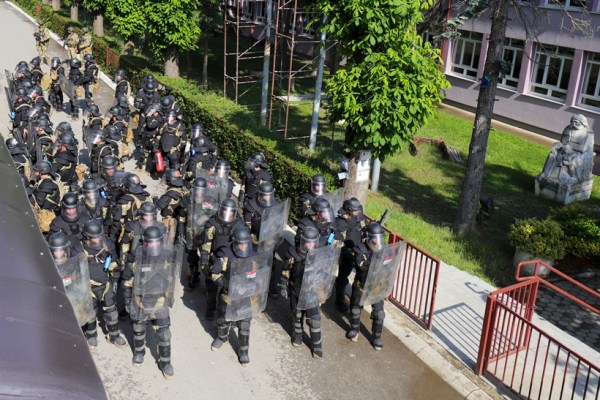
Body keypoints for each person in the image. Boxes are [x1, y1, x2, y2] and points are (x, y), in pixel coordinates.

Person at [122, 225, 177, 378]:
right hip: (140, 300)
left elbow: (172, 278)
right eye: (149, 243)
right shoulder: (136, 257)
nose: (153, 246)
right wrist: (127, 301)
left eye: (156, 243)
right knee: (138, 329)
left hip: (159, 300)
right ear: (145, 243)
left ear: (160, 242)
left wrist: (168, 294)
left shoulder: (167, 256)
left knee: (164, 333)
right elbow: (127, 280)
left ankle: (166, 362)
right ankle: (139, 352)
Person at [71, 219, 128, 349]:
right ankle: (91, 336)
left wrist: (114, 282)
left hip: (105, 283)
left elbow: (114, 264)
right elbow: (73, 269)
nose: (98, 239)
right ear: (86, 237)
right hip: (87, 285)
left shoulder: (107, 243)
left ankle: (114, 335)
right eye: (94, 237)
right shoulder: (78, 247)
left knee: (111, 311)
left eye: (99, 236)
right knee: (90, 312)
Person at [209, 226, 255, 365]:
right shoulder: (226, 255)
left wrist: (254, 285)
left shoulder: (253, 256)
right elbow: (215, 274)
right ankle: (222, 337)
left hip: (245, 296)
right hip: (227, 295)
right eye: (240, 243)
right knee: (223, 320)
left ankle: (244, 351)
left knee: (244, 324)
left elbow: (259, 275)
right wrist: (225, 284)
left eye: (245, 243)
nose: (243, 246)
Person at [199, 198, 245, 319]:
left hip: (231, 259)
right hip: (215, 258)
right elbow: (207, 243)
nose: (227, 214)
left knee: (231, 287)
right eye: (225, 211)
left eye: (230, 212)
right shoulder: (213, 224)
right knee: (211, 284)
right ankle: (210, 307)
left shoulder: (239, 225)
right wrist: (204, 261)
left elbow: (244, 244)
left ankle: (228, 313)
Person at [282, 226, 323, 358]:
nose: (310, 245)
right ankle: (297, 336)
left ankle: (317, 346)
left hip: (312, 293)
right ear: (303, 241)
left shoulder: (319, 255)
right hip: (296, 290)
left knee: (315, 320)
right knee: (297, 316)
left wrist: (323, 291)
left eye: (313, 242)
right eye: (308, 242)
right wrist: (283, 286)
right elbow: (286, 271)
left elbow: (324, 274)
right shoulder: (293, 254)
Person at [346, 223, 388, 350]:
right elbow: (361, 266)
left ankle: (376, 337)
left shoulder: (384, 250)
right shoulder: (360, 250)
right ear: (368, 237)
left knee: (379, 313)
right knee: (355, 309)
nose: (377, 241)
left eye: (379, 237)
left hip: (377, 286)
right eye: (375, 238)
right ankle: (354, 329)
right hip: (361, 284)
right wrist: (375, 260)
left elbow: (389, 266)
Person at [538, 114, 595, 185]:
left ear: (582, 123)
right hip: (566, 149)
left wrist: (569, 147)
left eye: (576, 123)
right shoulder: (568, 129)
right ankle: (546, 173)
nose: (574, 124)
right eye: (572, 122)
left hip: (581, 153)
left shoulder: (588, 133)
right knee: (553, 154)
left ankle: (574, 177)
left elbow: (584, 148)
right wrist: (558, 145)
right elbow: (563, 142)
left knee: (572, 159)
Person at [333, 197, 366, 312]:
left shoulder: (358, 219)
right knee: (342, 278)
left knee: (360, 279)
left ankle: (355, 304)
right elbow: (337, 241)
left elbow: (365, 229)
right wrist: (347, 252)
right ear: (348, 210)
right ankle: (339, 301)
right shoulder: (341, 222)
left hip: (359, 252)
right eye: (355, 211)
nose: (358, 213)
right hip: (346, 254)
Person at [156, 169, 189, 245]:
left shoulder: (171, 193)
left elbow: (159, 206)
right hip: (181, 222)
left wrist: (155, 198)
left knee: (166, 245)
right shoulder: (184, 190)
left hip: (169, 223)